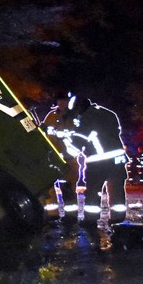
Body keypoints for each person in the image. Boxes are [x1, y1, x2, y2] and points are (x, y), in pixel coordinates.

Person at [45, 93, 128, 224]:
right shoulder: (108, 113)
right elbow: (115, 131)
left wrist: (68, 152)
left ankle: (90, 220)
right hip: (118, 159)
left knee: (93, 192)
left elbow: (77, 142)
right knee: (117, 190)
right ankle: (118, 218)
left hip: (99, 161)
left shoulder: (86, 119)